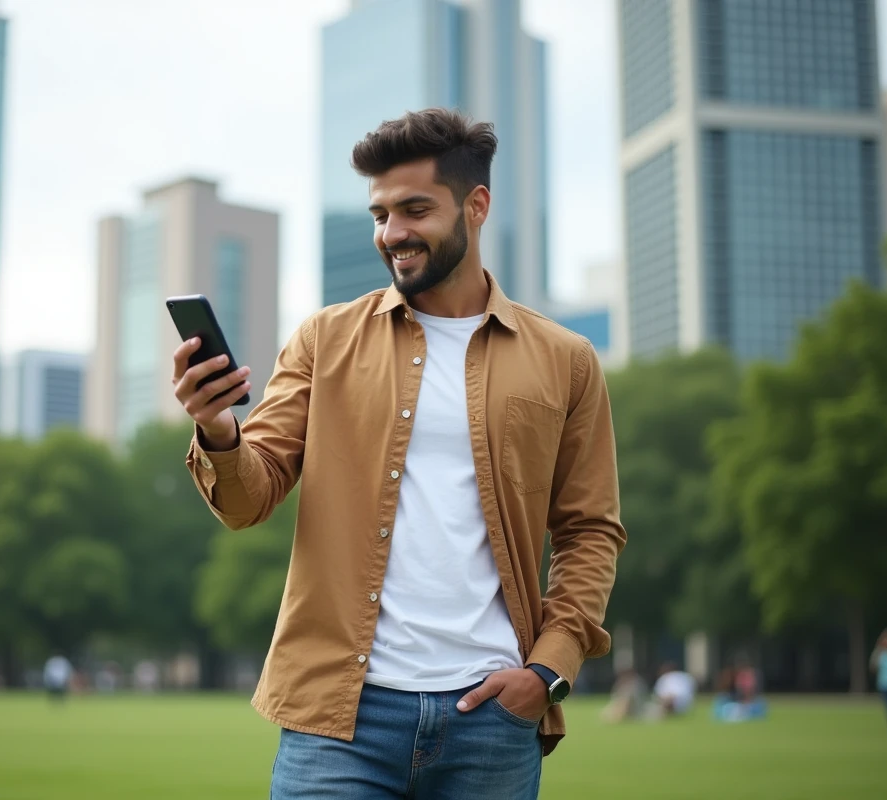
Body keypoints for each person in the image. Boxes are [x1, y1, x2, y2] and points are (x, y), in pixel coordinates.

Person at [173, 108, 625, 798]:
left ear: (477, 206)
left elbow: (590, 529)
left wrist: (547, 670)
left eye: (414, 209)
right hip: (338, 720)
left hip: (492, 721)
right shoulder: (324, 340)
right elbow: (247, 501)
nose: (393, 234)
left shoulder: (566, 361)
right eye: (380, 214)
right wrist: (219, 432)